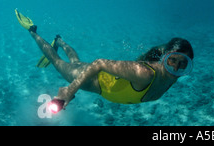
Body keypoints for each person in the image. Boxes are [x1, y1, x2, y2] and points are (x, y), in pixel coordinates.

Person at [15, 9, 194, 112]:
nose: (175, 68)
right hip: (92, 81)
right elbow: (99, 63)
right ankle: (32, 30)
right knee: (56, 62)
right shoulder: (145, 74)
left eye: (182, 64)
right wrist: (69, 91)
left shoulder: (171, 78)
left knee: (76, 61)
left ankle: (60, 41)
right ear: (164, 58)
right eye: (172, 60)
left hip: (103, 80)